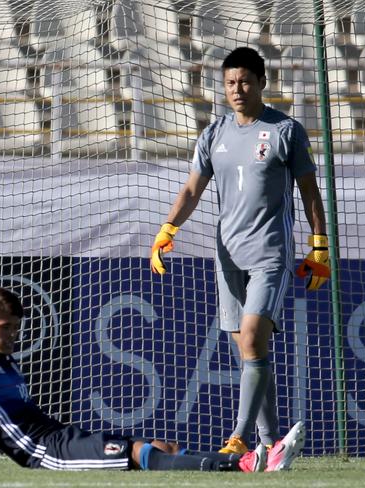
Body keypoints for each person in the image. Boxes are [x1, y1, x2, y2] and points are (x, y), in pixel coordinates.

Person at [150, 46, 328, 455]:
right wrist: (167, 228)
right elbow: (193, 189)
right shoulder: (214, 134)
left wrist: (319, 246)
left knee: (251, 340)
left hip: (270, 254)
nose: (237, 88)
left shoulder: (286, 131)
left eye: (245, 80)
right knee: (250, 351)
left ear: (262, 83)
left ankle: (239, 439)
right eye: (230, 82)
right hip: (227, 256)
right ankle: (272, 444)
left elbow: (310, 193)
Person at [0, 287, 306, 472]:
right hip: (46, 454)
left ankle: (247, 459)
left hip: (59, 435)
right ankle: (241, 466)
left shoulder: (3, 361)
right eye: (5, 327)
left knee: (155, 445)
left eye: (16, 327)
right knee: (137, 454)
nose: (13, 334)